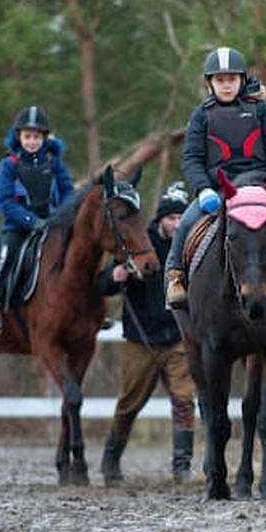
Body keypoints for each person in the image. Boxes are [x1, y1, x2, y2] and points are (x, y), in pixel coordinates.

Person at [164, 46, 266, 308]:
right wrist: (202, 189)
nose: (226, 85)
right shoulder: (201, 115)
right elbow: (191, 158)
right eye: (220, 80)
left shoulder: (260, 110)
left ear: (241, 80)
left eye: (232, 79)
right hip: (219, 190)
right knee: (187, 224)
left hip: (261, 188)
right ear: (210, 83)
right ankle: (176, 277)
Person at [98, 181, 197, 486]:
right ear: (162, 218)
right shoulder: (141, 242)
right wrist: (114, 277)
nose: (177, 223)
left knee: (184, 399)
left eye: (182, 217)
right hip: (141, 338)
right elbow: (103, 285)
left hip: (179, 336)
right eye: (172, 218)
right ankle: (111, 460)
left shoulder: (192, 246)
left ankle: (182, 466)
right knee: (130, 402)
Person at [0, 105, 75, 335]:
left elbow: (69, 192)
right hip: (18, 226)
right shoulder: (9, 165)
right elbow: (5, 203)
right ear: (19, 136)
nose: (32, 141)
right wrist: (31, 221)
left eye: (37, 137)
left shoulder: (54, 163)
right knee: (7, 255)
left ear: (44, 138)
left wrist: (60, 216)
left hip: (52, 225)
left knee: (78, 253)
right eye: (28, 136)